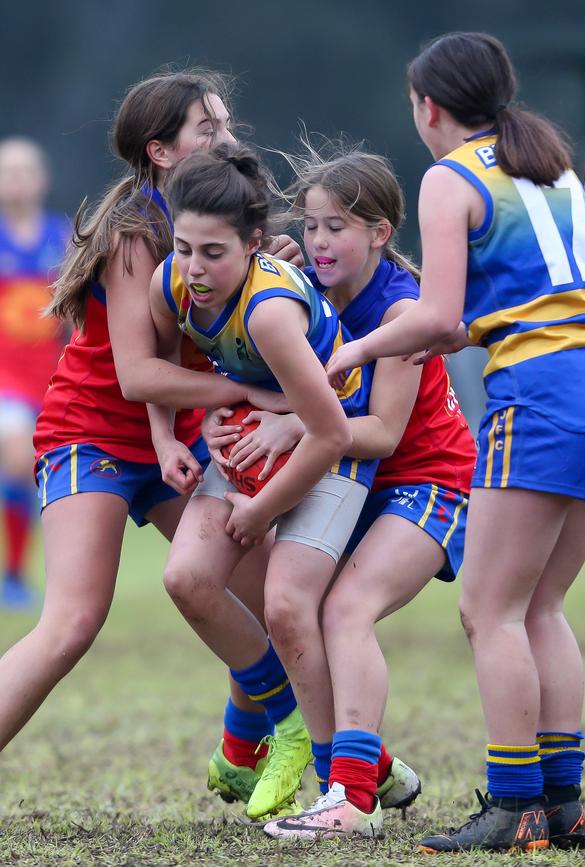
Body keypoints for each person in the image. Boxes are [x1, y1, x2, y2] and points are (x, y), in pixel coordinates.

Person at [327, 32, 585, 853]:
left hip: (541, 401)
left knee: (488, 609)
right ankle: (563, 803)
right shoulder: (555, 164)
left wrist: (357, 349)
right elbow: (516, 305)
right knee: (541, 606)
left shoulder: (449, 176)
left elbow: (434, 317)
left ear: (428, 108)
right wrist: (455, 332)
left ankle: (513, 806)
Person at [0, 71, 298, 780]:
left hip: (180, 444)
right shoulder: (135, 233)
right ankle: (282, 725)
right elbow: (137, 376)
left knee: (269, 596)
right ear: (162, 152)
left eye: (226, 123)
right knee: (72, 624)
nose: (227, 138)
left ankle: (242, 741)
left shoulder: (227, 220)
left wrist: (282, 275)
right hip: (92, 435)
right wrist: (249, 391)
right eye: (208, 128)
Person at [208, 145, 475, 839]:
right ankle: (371, 767)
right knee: (288, 611)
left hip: (425, 482)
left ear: (381, 234)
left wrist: (290, 425)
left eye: (339, 228)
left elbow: (385, 432)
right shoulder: (306, 292)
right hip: (354, 484)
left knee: (345, 612)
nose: (322, 242)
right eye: (315, 225)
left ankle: (352, 799)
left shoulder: (401, 310)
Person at [145, 142, 377, 820]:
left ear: (252, 244)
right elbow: (161, 358)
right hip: (256, 433)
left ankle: (343, 789)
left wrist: (260, 510)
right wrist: (169, 435)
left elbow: (332, 429)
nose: (195, 268)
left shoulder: (271, 311)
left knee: (284, 604)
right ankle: (291, 721)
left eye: (213, 253)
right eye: (184, 247)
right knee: (186, 578)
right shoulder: (174, 280)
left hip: (329, 447)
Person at [0, 138, 68, 609]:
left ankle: (61, 580)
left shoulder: (63, 236)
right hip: (7, 379)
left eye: (26, 170)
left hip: (53, 377)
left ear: (43, 180)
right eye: (8, 171)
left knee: (48, 471)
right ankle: (15, 576)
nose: (17, 180)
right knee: (16, 440)